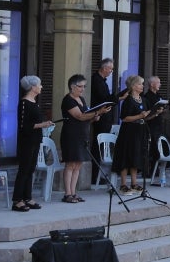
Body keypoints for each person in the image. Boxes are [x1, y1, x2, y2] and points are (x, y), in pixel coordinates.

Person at [61, 74, 111, 203]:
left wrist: (95, 116)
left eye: (84, 86)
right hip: (71, 136)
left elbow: (87, 117)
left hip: (83, 134)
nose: (83, 89)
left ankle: (74, 192)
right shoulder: (68, 100)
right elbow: (79, 116)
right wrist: (97, 112)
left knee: (78, 164)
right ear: (72, 87)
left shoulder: (81, 99)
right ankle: (67, 193)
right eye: (80, 86)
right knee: (70, 164)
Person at [12, 75, 53, 212]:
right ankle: (17, 200)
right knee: (24, 169)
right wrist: (42, 124)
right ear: (33, 87)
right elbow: (24, 125)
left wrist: (44, 124)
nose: (41, 87)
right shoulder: (24, 103)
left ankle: (27, 197)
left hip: (35, 139)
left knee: (31, 169)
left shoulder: (35, 102)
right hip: (27, 140)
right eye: (39, 85)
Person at [89, 58, 129, 183]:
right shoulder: (96, 80)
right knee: (97, 147)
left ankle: (97, 175)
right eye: (111, 69)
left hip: (104, 117)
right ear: (104, 68)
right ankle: (94, 176)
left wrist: (117, 98)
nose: (111, 71)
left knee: (100, 148)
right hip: (99, 117)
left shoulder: (102, 81)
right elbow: (104, 100)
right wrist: (119, 98)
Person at [112, 75, 152, 195]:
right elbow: (124, 118)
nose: (142, 86)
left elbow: (146, 115)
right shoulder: (128, 100)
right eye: (140, 84)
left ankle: (134, 183)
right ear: (134, 86)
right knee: (126, 156)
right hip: (129, 131)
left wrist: (154, 113)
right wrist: (140, 116)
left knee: (136, 156)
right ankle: (123, 184)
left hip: (141, 130)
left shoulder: (143, 100)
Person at [142, 75, 167, 175]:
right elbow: (147, 114)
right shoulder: (146, 97)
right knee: (152, 148)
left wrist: (168, 108)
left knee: (159, 147)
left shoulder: (158, 96)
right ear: (152, 84)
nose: (160, 85)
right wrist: (156, 112)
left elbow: (163, 109)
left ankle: (156, 169)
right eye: (158, 83)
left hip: (159, 125)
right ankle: (149, 170)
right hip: (150, 125)